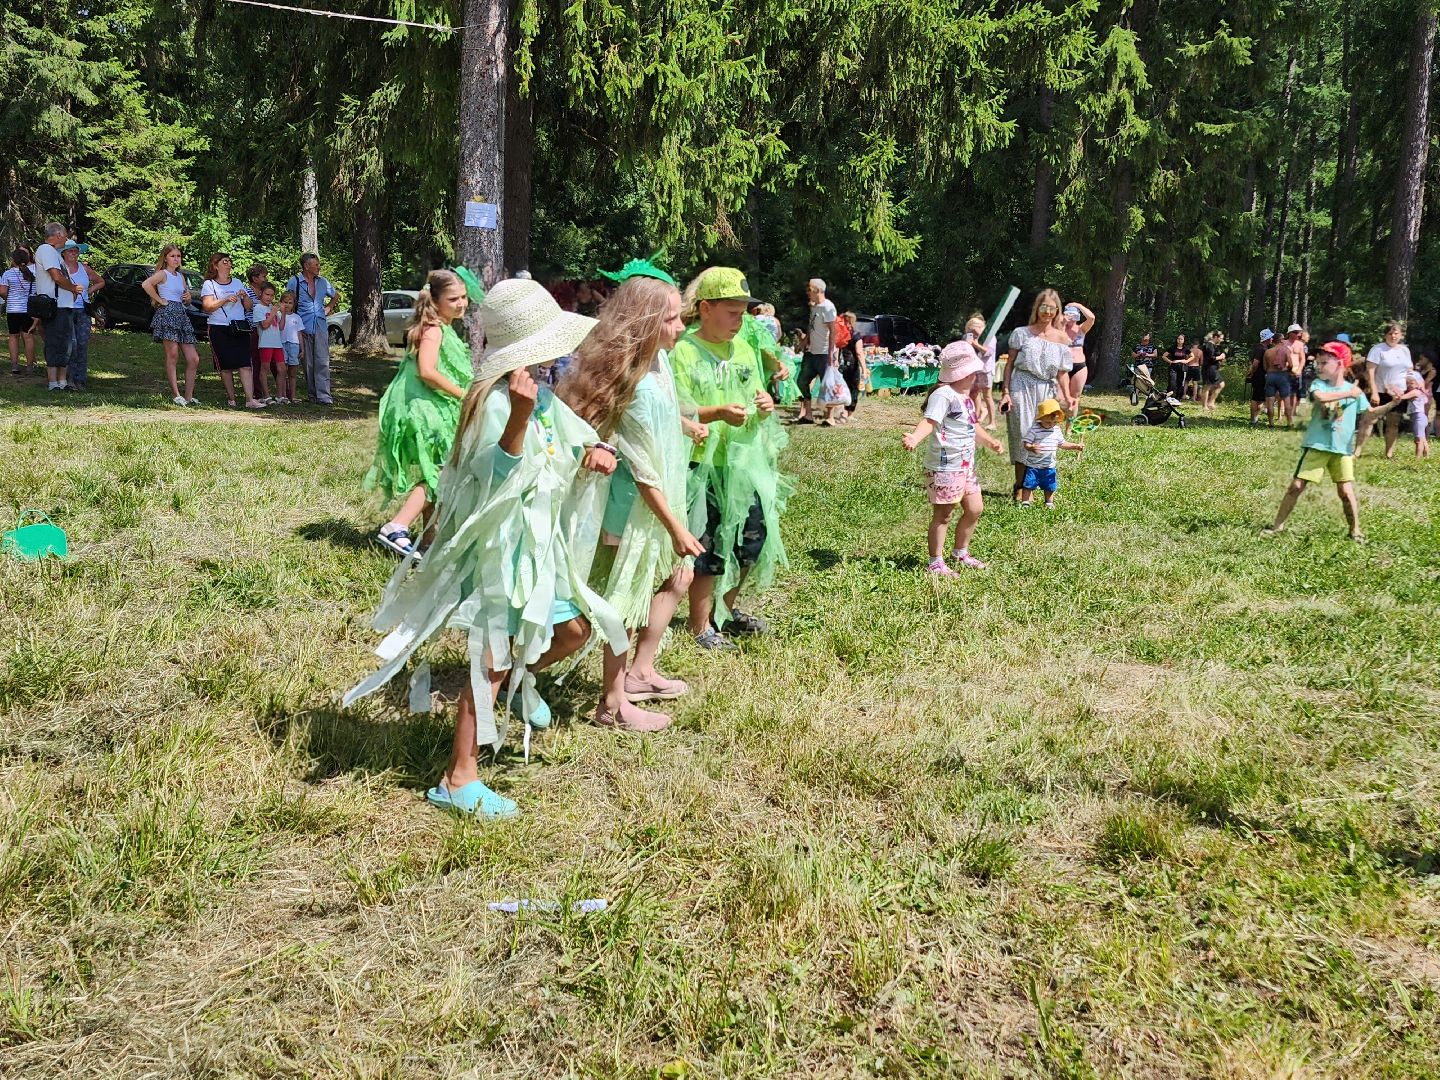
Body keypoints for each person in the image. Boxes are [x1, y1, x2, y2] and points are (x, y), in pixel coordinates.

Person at [343, 278, 620, 818]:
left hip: (540, 551)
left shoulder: (539, 394)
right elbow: (492, 477)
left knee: (573, 630)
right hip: (503, 554)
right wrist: (518, 420)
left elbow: (576, 430)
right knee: (489, 658)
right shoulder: (495, 403)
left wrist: (598, 447)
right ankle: (458, 777)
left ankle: (522, 684)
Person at [559, 261, 703, 732]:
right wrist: (676, 527)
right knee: (622, 598)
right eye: (671, 319)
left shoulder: (653, 361)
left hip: (656, 500)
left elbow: (655, 423)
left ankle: (634, 677)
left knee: (670, 579)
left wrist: (687, 425)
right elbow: (642, 470)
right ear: (644, 323)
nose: (681, 326)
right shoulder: (635, 381)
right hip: (634, 505)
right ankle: (611, 703)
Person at [673, 267, 791, 650]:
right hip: (702, 464)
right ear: (705, 308)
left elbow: (756, 393)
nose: (740, 321)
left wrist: (765, 403)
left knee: (750, 541)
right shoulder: (684, 350)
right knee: (707, 547)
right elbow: (677, 409)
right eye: (732, 312)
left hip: (742, 465)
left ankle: (725, 610)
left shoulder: (742, 348)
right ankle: (701, 624)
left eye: (743, 313)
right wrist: (716, 413)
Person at [367, 269, 474, 559]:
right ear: (436, 301)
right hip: (427, 411)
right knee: (438, 473)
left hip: (434, 408)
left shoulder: (443, 327)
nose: (461, 303)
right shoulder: (434, 329)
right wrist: (462, 394)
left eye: (464, 297)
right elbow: (427, 371)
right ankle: (397, 525)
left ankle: (428, 540)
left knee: (439, 471)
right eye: (453, 298)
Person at [900, 341, 1003, 574]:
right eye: (972, 372)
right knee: (944, 515)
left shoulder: (965, 397)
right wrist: (915, 438)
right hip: (945, 468)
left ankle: (960, 552)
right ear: (961, 373)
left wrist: (989, 441)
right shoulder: (944, 395)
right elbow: (930, 421)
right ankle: (935, 562)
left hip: (965, 467)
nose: (975, 376)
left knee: (975, 509)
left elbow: (973, 426)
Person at [1264, 341, 1368, 543]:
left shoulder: (1354, 391)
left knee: (1346, 492)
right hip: (1317, 446)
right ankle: (1277, 526)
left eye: (1324, 363)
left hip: (1341, 450)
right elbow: (1321, 398)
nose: (1318, 367)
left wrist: (1395, 402)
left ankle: (1355, 531)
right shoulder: (1319, 385)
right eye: (1318, 363)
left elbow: (1370, 415)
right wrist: (1350, 393)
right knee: (1296, 486)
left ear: (1339, 364)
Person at [1000, 289, 1073, 498]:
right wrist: (1006, 392)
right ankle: (1020, 485)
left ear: (1057, 310)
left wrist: (1068, 397)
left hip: (1046, 390)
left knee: (1043, 435)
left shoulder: (1062, 339)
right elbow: (1010, 364)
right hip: (1021, 386)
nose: (1047, 312)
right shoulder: (1021, 333)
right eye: (1043, 307)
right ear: (1037, 308)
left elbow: (1062, 373)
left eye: (1052, 308)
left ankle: (1036, 484)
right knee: (1023, 435)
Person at [201, 252, 264, 409]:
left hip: (239, 326)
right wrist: (225, 299)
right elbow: (207, 307)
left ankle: (250, 400)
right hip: (218, 327)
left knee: (245, 363)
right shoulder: (209, 284)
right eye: (225, 261)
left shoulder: (237, 282)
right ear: (215, 265)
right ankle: (232, 399)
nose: (229, 264)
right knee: (226, 365)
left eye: (229, 261)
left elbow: (248, 307)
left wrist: (245, 296)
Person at [141, 244, 202, 406]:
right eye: (173, 256)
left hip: (181, 315)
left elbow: (186, 300)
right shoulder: (162, 274)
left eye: (178, 256)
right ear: (166, 258)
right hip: (168, 315)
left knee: (193, 358)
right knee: (172, 355)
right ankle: (176, 395)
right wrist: (160, 300)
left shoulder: (180, 277)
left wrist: (188, 298)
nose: (176, 259)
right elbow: (146, 284)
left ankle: (189, 396)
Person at [286, 253, 340, 405]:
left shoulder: (323, 282)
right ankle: (313, 394)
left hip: (320, 325)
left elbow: (336, 295)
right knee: (308, 363)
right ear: (306, 266)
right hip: (302, 326)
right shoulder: (295, 281)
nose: (318, 267)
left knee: (322, 360)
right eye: (315, 265)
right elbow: (288, 301)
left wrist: (329, 307)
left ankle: (324, 396)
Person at [33, 222, 82, 391]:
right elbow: (56, 276)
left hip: (64, 305)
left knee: (66, 344)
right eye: (65, 235)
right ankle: (53, 383)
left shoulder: (55, 253)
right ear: (58, 234)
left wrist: (72, 291)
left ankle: (62, 382)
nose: (66, 238)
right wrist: (73, 288)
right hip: (55, 306)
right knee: (55, 342)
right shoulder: (45, 250)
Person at [1018, 398, 1084, 508]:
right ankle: (1025, 502)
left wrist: (1075, 446)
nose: (1051, 424)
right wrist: (1031, 447)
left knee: (1050, 486)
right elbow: (1026, 444)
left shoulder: (1056, 430)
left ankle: (1049, 502)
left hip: (1049, 466)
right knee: (1028, 485)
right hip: (1033, 465)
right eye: (1048, 422)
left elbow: (1062, 444)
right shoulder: (1034, 429)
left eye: (1054, 422)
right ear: (1041, 418)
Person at [1364, 322, 1415, 459]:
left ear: (1401, 335)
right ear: (1385, 335)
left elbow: (1409, 371)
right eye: (1390, 333)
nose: (1393, 336)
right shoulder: (1377, 349)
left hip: (1399, 394)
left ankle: (1389, 454)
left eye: (1396, 333)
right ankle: (1357, 451)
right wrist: (1374, 392)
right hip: (1380, 391)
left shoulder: (1405, 350)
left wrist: (1412, 385)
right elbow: (1370, 372)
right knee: (1368, 421)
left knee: (1393, 424)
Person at [60, 241, 103, 390]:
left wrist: (88, 291)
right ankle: (69, 378)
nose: (73, 253)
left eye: (75, 251)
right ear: (63, 253)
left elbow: (100, 281)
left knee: (83, 344)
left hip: (83, 310)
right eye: (70, 251)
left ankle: (81, 379)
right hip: (66, 309)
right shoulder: (60, 268)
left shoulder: (84, 268)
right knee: (71, 344)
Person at [793, 277, 837, 423]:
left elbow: (833, 331)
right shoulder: (815, 307)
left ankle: (830, 417)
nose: (807, 292)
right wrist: (803, 343)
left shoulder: (828, 307)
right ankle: (808, 415)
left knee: (827, 384)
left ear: (817, 291)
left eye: (809, 289)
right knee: (801, 381)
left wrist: (831, 353)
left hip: (824, 354)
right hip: (811, 353)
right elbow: (811, 328)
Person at [1, 248, 38, 376]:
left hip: (13, 309)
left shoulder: (8, 274)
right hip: (29, 310)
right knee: (28, 337)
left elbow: (2, 292)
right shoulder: (33, 274)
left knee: (13, 336)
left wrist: (9, 298)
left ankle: (15, 365)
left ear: (13, 260)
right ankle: (30, 365)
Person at [1061, 302, 1096, 416]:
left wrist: (1078, 306)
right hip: (1062, 367)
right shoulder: (1059, 328)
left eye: (1074, 316)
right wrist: (1063, 320)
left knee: (1075, 397)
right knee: (1058, 397)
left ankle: (1069, 428)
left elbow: (1091, 318)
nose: (1072, 319)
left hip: (1079, 366)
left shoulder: (1081, 329)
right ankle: (1053, 423)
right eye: (1069, 315)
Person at [252, 283, 285, 404]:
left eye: (272, 295)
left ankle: (280, 395)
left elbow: (281, 327)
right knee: (264, 369)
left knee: (281, 369)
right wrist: (273, 313)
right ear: (261, 293)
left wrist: (283, 313)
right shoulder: (258, 308)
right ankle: (266, 395)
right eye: (267, 294)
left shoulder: (273, 307)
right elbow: (264, 325)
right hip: (265, 343)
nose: (269, 298)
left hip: (277, 343)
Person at [966, 314, 997, 427]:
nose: (972, 332)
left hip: (986, 370)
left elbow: (988, 352)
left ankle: (992, 422)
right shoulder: (970, 336)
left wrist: (975, 343)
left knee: (987, 396)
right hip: (974, 369)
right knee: (974, 394)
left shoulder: (990, 336)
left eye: (973, 329)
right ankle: (976, 417)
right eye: (969, 330)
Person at [837, 311, 866, 418]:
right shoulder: (856, 335)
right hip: (852, 366)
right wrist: (864, 369)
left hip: (841, 365)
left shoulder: (840, 335)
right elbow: (859, 353)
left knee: (843, 388)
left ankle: (842, 411)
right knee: (853, 389)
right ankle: (849, 413)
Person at [1263, 330, 1296, 426]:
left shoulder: (1267, 352)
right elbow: (1290, 364)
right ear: (1281, 340)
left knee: (1270, 400)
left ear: (1273, 341)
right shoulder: (1286, 350)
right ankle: (1289, 422)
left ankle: (1271, 423)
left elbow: (1265, 367)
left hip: (1270, 376)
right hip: (1282, 376)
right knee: (1286, 399)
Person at [1397, 369, 1431, 458]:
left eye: (1411, 383)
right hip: (1420, 417)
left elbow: (1402, 397)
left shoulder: (1416, 392)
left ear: (1417, 383)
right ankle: (1426, 456)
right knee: (1423, 439)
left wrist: (1396, 392)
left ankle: (1417, 458)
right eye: (1407, 383)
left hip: (1418, 417)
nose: (1409, 385)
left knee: (1418, 440)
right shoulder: (1418, 392)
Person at [278, 290, 303, 403]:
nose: (287, 305)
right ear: (281, 303)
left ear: (294, 304)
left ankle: (293, 396)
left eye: (290, 302)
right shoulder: (278, 315)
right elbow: (278, 328)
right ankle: (282, 395)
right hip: (282, 344)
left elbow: (299, 333)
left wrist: (302, 349)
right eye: (285, 302)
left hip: (294, 345)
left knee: (292, 373)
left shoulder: (297, 317)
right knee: (282, 371)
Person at [1247, 329, 1274, 425]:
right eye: (1271, 337)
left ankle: (1255, 418)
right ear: (1266, 338)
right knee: (1256, 398)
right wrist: (1252, 372)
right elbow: (1255, 363)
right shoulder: (1261, 349)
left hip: (1261, 376)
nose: (1272, 339)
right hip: (1259, 376)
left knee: (1260, 398)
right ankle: (1253, 419)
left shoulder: (1261, 348)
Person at [816, 354, 852, 424]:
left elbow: (835, 346)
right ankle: (833, 416)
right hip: (833, 359)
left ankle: (836, 415)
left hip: (834, 360)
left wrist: (834, 358)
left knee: (835, 390)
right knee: (833, 391)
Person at [1199, 330, 1226, 411]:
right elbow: (1211, 358)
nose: (1222, 340)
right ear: (1215, 337)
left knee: (1221, 384)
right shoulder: (1209, 345)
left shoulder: (1214, 346)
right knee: (1207, 386)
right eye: (1221, 338)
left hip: (1214, 368)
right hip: (1209, 368)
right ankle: (1204, 406)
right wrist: (1221, 357)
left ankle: (1211, 402)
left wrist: (1221, 358)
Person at [1166, 332, 1190, 401]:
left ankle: (1177, 398)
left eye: (1181, 339)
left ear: (1184, 340)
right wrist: (1170, 361)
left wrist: (1186, 361)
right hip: (1173, 367)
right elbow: (1164, 356)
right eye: (1178, 339)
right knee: (1172, 382)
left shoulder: (1185, 349)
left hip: (1182, 367)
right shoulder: (1173, 348)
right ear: (1176, 340)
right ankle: (1169, 397)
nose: (1180, 340)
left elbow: (1192, 356)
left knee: (1180, 383)